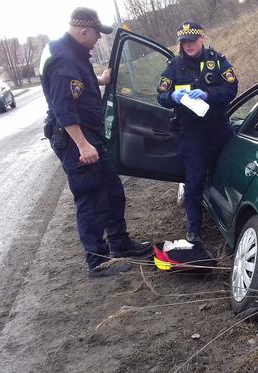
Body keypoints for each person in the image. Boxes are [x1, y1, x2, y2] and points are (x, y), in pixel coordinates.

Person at [39, 7, 152, 277]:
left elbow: (79, 86)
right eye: (96, 35)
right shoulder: (64, 61)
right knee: (91, 199)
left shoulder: (73, 53)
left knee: (112, 191)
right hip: (76, 142)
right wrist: (82, 145)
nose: (98, 40)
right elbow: (63, 107)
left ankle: (119, 243)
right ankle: (97, 261)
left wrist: (100, 80)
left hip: (90, 138)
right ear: (83, 31)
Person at [156, 21, 238, 262]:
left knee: (227, 173)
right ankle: (194, 231)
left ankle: (227, 218)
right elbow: (160, 95)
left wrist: (208, 95)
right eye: (184, 42)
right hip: (192, 133)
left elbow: (232, 88)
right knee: (193, 182)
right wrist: (172, 96)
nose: (188, 45)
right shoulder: (174, 66)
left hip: (219, 129)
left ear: (201, 39)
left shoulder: (217, 60)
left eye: (192, 41)